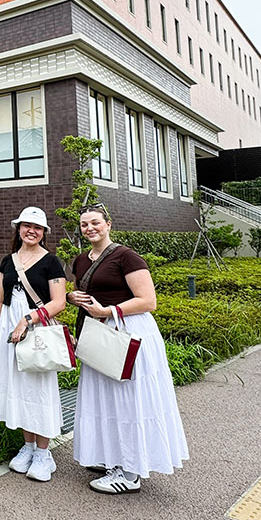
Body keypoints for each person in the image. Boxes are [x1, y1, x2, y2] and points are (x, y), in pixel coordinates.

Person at [68, 204, 188, 494]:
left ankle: (130, 471)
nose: (90, 228)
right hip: (98, 334)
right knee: (103, 398)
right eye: (84, 224)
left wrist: (108, 311)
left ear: (108, 224)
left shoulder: (126, 256)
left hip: (127, 331)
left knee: (127, 399)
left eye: (95, 222)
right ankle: (112, 457)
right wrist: (73, 298)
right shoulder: (81, 260)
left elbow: (148, 300)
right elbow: (85, 295)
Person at [0, 206, 68, 482]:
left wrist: (26, 319)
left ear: (44, 232)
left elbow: (59, 302)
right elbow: (1, 299)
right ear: (19, 229)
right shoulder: (7, 261)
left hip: (37, 334)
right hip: (10, 333)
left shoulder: (51, 262)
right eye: (26, 226)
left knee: (39, 389)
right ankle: (29, 446)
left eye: (37, 227)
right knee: (18, 387)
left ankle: (44, 454)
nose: (31, 231)